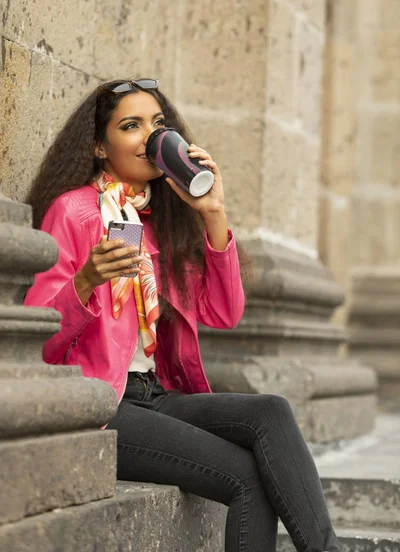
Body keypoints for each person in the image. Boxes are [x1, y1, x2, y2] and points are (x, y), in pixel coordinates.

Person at [24, 78, 340, 552]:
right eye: (131, 126)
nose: (150, 137)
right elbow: (38, 343)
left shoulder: (160, 221)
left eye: (157, 125)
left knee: (270, 411)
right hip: (100, 404)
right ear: (99, 146)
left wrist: (214, 212)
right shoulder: (75, 212)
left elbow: (224, 312)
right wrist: (85, 282)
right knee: (248, 478)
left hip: (155, 396)